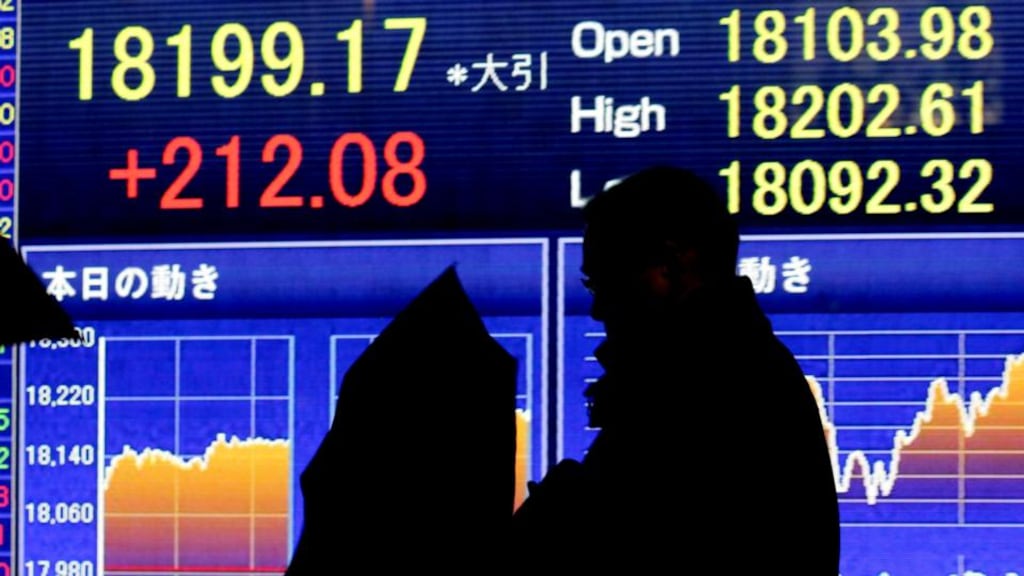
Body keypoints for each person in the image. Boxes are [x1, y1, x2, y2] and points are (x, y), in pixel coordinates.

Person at [512, 167, 839, 572]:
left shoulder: (692, 395)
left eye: (605, 284)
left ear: (668, 266)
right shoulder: (743, 371)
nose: (598, 309)